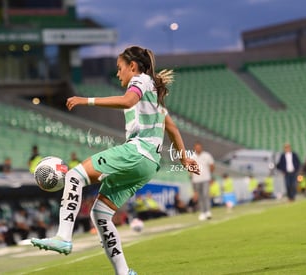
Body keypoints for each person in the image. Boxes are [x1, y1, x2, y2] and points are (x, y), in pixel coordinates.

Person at [30, 46, 199, 275]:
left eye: (120, 68)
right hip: (148, 165)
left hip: (137, 152)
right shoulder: (152, 94)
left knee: (74, 175)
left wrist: (85, 100)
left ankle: (63, 237)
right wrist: (184, 159)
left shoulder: (139, 81)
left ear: (132, 66)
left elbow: (127, 101)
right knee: (100, 213)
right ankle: (124, 273)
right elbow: (172, 128)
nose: (118, 74)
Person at [190, 142, 215, 220]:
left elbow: (212, 166)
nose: (198, 148)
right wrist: (191, 177)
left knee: (205, 195)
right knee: (200, 197)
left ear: (201, 147)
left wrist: (209, 175)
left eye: (199, 147)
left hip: (205, 179)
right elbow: (190, 168)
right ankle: (202, 212)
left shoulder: (207, 155)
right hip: (196, 179)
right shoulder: (192, 157)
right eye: (196, 147)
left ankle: (208, 211)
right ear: (194, 148)